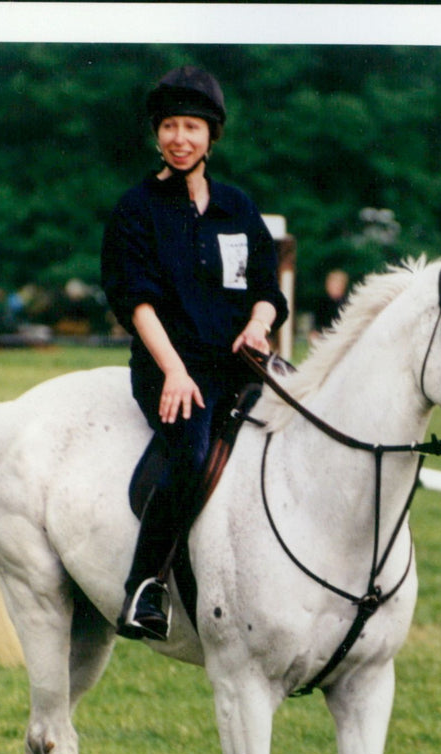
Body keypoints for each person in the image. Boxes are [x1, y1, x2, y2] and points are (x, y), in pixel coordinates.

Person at [101, 66, 288, 641]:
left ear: (212, 135)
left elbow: (268, 289)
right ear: (157, 134)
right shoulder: (137, 209)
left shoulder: (237, 206)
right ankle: (144, 587)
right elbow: (136, 301)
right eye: (170, 127)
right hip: (171, 367)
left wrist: (259, 324)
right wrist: (175, 372)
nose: (180, 138)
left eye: (192, 127)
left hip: (239, 362)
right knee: (191, 450)